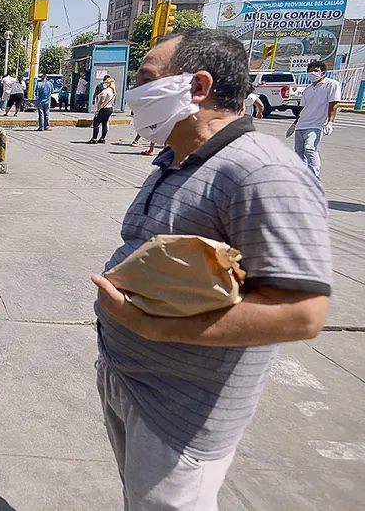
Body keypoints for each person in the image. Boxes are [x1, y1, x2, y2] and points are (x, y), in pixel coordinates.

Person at [91, 28, 331, 511]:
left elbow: (302, 314)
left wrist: (149, 324)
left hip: (184, 411)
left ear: (197, 87)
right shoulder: (175, 158)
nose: (134, 94)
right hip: (133, 383)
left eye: (146, 79)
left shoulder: (262, 170)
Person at [288, 60, 340, 179]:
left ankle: (314, 177)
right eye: (310, 71)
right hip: (302, 125)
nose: (312, 73)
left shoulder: (331, 85)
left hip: (316, 124)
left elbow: (334, 104)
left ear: (323, 73)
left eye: (316, 71)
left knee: (310, 149)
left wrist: (330, 122)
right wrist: (294, 124)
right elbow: (303, 109)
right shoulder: (308, 89)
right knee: (299, 154)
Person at [89, 76, 116, 144]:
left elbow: (101, 101)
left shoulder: (105, 91)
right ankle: (103, 138)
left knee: (96, 123)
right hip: (110, 109)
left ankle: (94, 138)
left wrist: (98, 110)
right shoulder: (113, 91)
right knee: (104, 123)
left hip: (103, 109)